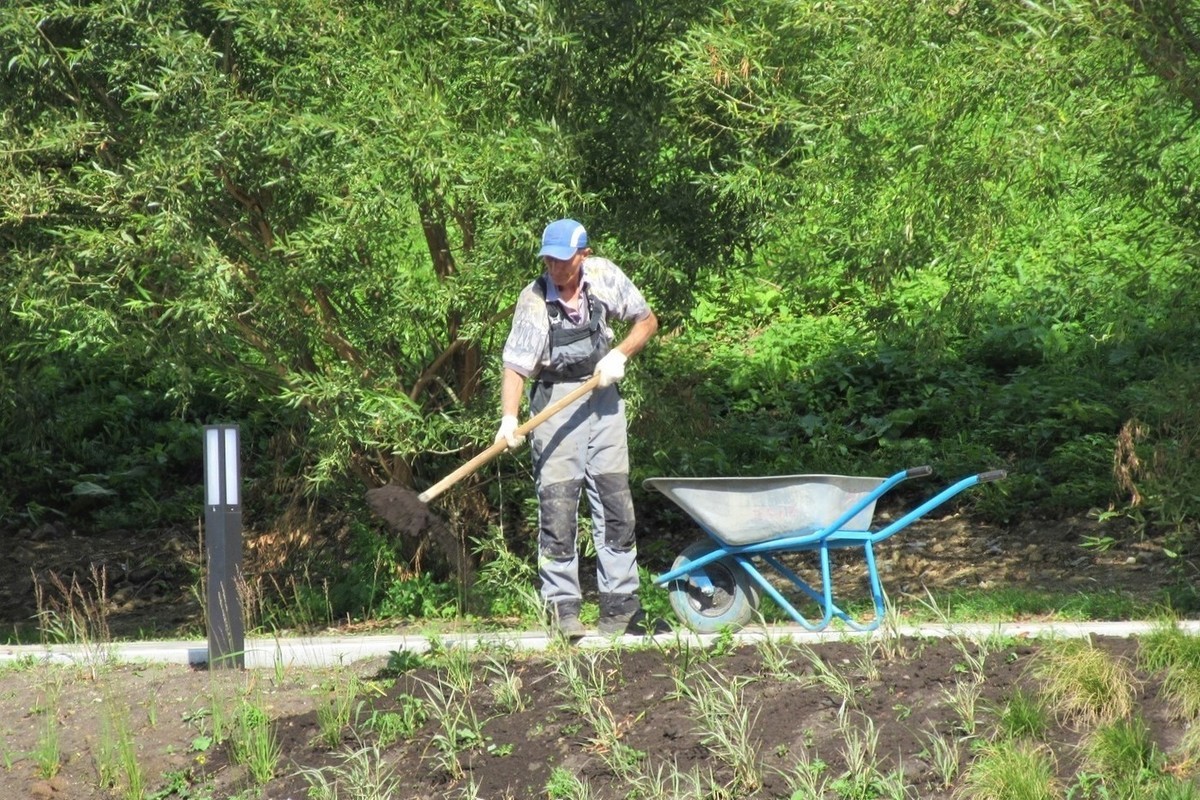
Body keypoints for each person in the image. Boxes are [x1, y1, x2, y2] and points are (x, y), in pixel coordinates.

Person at [495, 218, 659, 637]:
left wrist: (618, 355)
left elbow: (647, 321)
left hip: (603, 400)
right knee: (559, 506)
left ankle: (621, 608)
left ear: (583, 255)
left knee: (615, 501)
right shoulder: (533, 300)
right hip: (554, 406)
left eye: (562, 260)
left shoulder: (604, 276)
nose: (554, 266)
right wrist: (509, 418)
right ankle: (561, 612)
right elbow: (515, 367)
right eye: (548, 259)